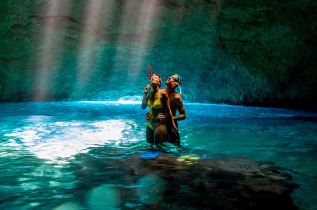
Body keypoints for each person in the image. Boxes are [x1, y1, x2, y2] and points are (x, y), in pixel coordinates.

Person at [146, 74, 186, 146]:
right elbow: (156, 107)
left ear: (175, 84)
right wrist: (149, 113)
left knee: (175, 148)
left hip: (171, 126)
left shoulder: (176, 97)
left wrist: (169, 119)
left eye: (172, 78)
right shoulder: (160, 93)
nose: (169, 77)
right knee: (156, 147)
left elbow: (183, 116)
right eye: (170, 76)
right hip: (159, 124)